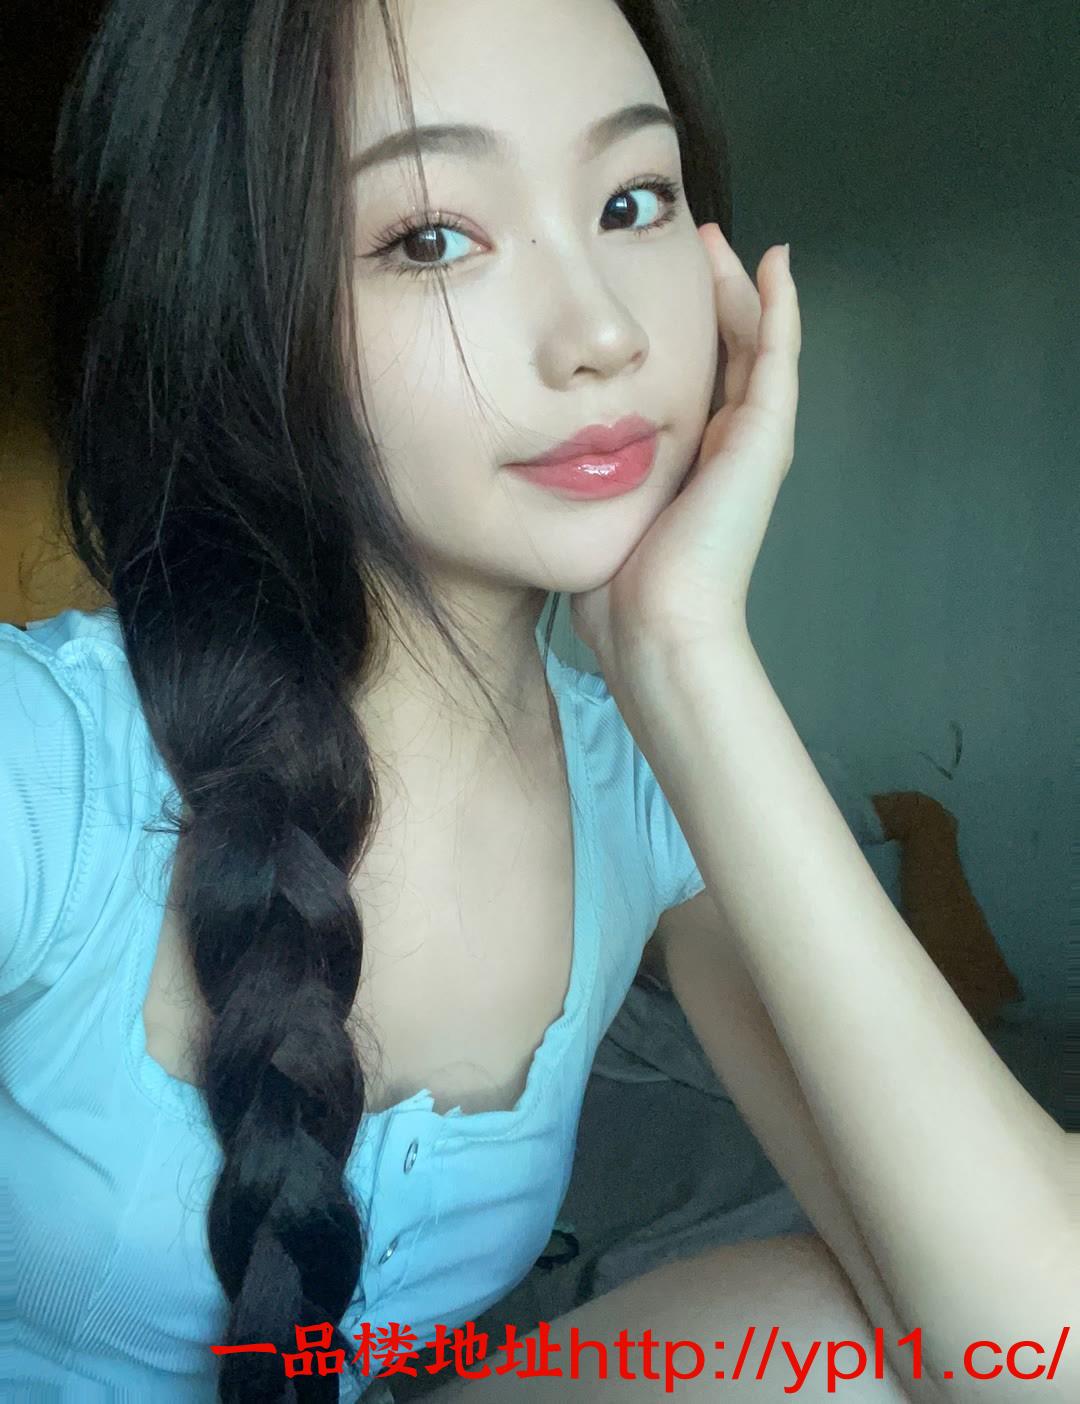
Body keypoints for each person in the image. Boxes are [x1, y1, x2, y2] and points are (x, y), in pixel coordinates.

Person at [2, 1, 1072, 1401]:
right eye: (431, 237)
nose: (603, 333)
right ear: (229, 311)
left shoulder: (642, 782)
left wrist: (687, 656)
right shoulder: (43, 761)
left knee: (850, 1338)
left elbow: (1036, 1350)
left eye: (633, 202)